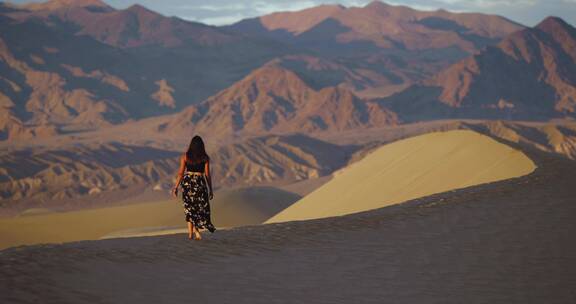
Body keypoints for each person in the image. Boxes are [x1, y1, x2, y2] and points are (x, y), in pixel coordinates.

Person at [172, 135, 216, 240]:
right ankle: (196, 231)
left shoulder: (185, 156)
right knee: (198, 208)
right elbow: (207, 174)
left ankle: (190, 233)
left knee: (189, 208)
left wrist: (176, 187)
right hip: (200, 183)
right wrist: (210, 189)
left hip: (188, 183)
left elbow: (180, 173)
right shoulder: (205, 157)